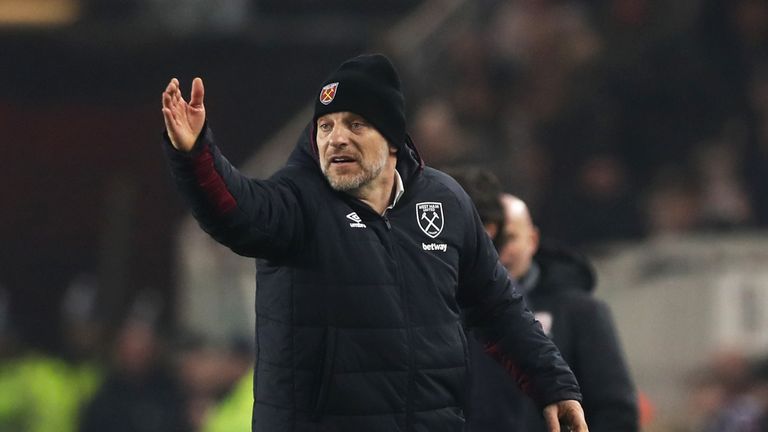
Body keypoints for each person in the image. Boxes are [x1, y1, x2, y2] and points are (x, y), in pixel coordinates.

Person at [161, 53, 588, 431]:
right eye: (325, 126)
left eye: (355, 124)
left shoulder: (446, 201)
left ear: (392, 138)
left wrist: (553, 384)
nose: (336, 138)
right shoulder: (299, 201)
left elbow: (499, 307)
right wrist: (196, 153)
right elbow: (235, 210)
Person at [465, 191, 637, 431]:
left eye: (509, 238)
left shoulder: (581, 312)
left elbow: (616, 410)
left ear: (533, 240)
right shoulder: (455, 312)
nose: (498, 251)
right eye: (489, 240)